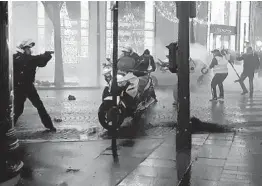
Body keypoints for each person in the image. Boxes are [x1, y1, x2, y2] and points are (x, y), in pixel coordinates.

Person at [13, 39, 57, 132]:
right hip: (24, 87)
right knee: (19, 109)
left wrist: (46, 55)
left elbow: (39, 61)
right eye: (28, 49)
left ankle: (49, 125)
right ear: (23, 49)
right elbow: (38, 60)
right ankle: (49, 126)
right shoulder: (24, 59)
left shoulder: (16, 58)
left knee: (23, 108)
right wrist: (47, 55)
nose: (30, 50)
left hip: (24, 86)